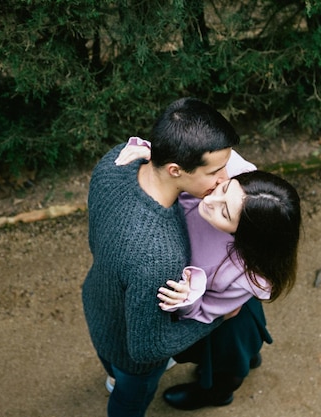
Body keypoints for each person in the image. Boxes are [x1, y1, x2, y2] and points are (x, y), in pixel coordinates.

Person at [82, 97, 242, 417]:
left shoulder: (117, 159)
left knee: (116, 373)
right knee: (129, 399)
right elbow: (147, 349)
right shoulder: (159, 254)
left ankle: (114, 378)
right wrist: (214, 320)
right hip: (130, 353)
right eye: (215, 171)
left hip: (96, 302)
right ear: (175, 169)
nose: (225, 178)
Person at [115, 139, 302, 410]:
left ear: (244, 238)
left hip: (223, 322)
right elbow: (193, 156)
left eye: (224, 212)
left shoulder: (242, 273)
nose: (211, 198)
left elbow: (204, 312)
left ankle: (217, 394)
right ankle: (249, 359)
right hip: (230, 307)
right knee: (244, 352)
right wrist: (157, 156)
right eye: (223, 188)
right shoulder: (235, 175)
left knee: (225, 364)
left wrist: (187, 296)